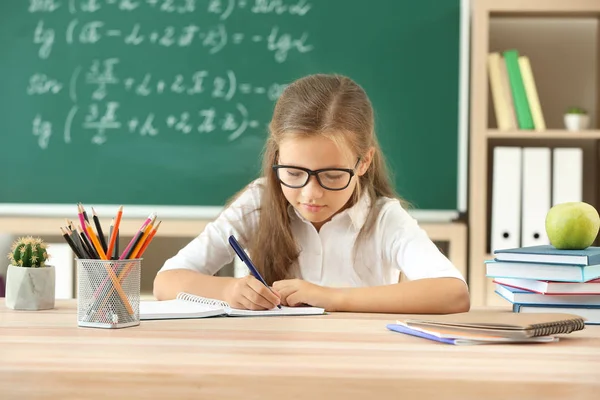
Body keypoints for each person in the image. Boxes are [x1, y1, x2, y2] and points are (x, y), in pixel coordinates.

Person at [153, 73, 470, 314]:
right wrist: (228, 290)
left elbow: (454, 293)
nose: (311, 193)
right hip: (268, 365)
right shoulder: (260, 201)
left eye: (332, 175)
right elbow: (165, 282)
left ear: (364, 162)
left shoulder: (383, 219)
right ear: (277, 157)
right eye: (293, 173)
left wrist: (330, 297)